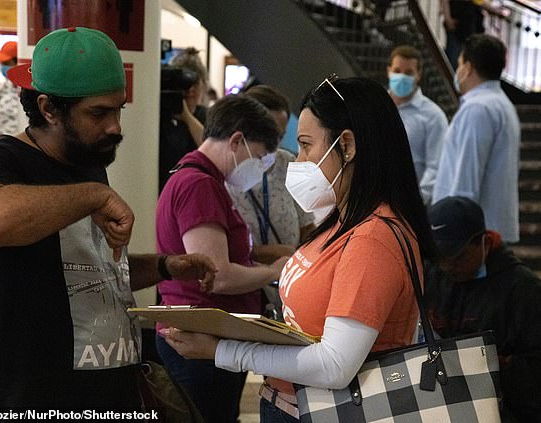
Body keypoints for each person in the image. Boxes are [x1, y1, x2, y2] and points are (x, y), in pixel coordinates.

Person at [0, 26, 217, 409]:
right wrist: (95, 195)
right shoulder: (1, 161)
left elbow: (86, 272)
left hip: (109, 393)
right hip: (34, 398)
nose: (115, 126)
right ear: (48, 109)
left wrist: (165, 266)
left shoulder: (86, 161)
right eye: (98, 112)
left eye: (118, 109)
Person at [161, 76, 437, 422]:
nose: (299, 159)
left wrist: (224, 350)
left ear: (347, 146)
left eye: (306, 145)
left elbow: (334, 365)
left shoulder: (372, 238)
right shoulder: (342, 221)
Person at [155, 94, 287, 423]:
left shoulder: (203, 180)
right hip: (200, 340)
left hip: (208, 336)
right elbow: (218, 275)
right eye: (258, 158)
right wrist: (274, 271)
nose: (257, 170)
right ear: (237, 140)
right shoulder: (198, 184)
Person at [425, 196, 541, 422]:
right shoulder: (433, 275)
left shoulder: (523, 291)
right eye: (441, 258)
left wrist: (489, 364)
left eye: (458, 257)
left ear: (484, 242)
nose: (448, 267)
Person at [432, 34, 520, 243]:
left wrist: (452, 233)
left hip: (472, 237)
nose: (458, 70)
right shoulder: (501, 104)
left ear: (468, 68)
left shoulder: (477, 109)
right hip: (488, 230)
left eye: (459, 64)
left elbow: (466, 180)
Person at [228, 85, 314, 263]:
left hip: (287, 278)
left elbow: (307, 227)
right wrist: (262, 253)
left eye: (279, 136)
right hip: (244, 281)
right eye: (267, 134)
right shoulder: (226, 171)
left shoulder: (287, 163)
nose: (273, 144)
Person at [387, 45, 448, 204]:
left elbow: (436, 168)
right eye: (397, 71)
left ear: (418, 75)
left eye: (408, 73)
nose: (401, 77)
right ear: (389, 71)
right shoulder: (375, 107)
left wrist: (415, 202)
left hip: (412, 205)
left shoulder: (433, 116)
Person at [159, 47, 209, 191]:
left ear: (203, 86)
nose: (190, 90)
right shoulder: (160, 117)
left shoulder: (207, 116)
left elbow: (211, 149)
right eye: (185, 85)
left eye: (195, 84)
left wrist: (187, 117)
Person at [0, 41, 28, 139]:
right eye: (2, 64)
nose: (3, 67)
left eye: (6, 63)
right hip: (4, 145)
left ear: (17, 62)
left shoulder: (29, 90)